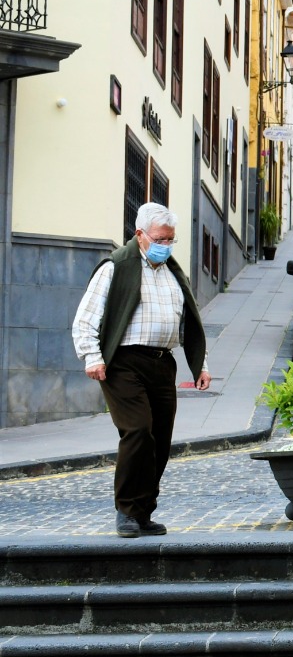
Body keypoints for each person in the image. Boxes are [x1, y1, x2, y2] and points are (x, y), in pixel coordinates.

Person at [70, 203, 211, 538]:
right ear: (140, 235)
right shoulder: (116, 267)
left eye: (171, 239)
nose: (167, 245)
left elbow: (188, 323)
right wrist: (92, 357)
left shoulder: (175, 273)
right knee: (137, 431)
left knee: (160, 440)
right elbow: (84, 320)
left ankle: (143, 512)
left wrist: (200, 365)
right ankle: (127, 511)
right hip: (123, 363)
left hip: (163, 363)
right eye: (161, 238)